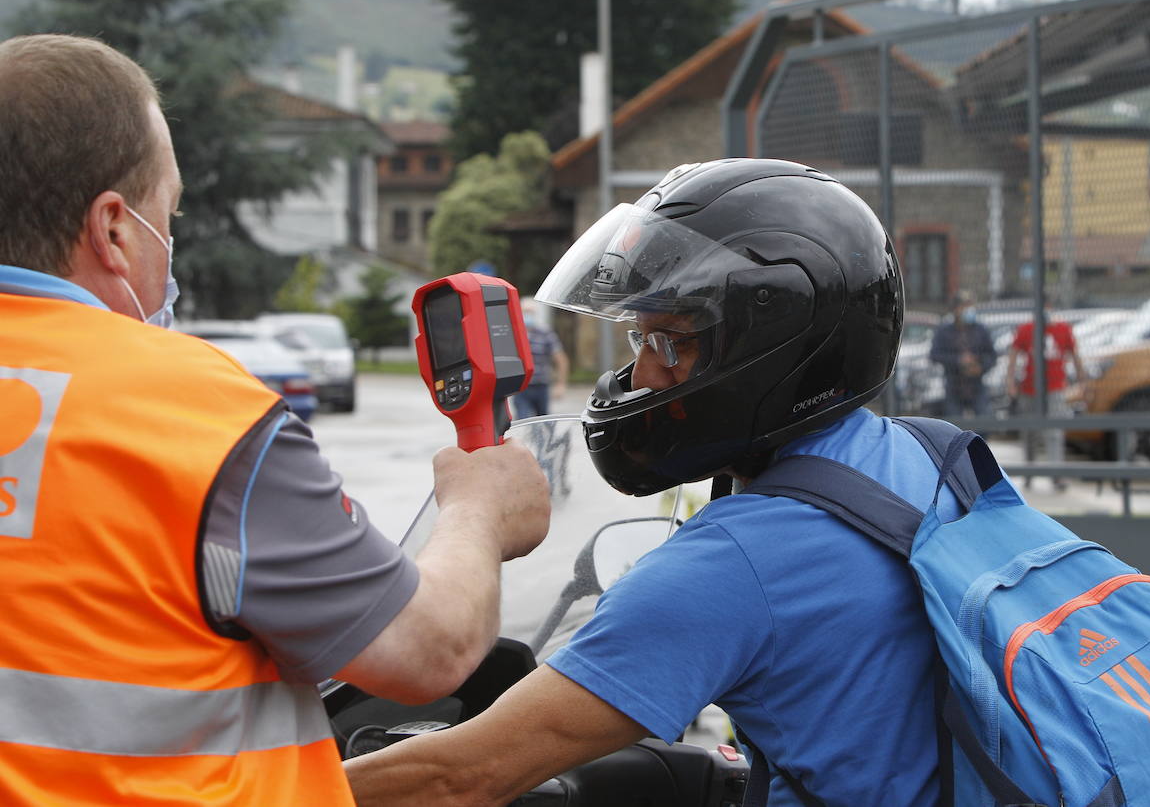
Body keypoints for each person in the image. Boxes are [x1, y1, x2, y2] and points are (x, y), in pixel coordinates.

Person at [0, 34, 551, 804]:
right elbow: (429, 650)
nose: (174, 240)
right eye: (172, 212)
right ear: (115, 229)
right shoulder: (190, 411)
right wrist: (480, 512)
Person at [346, 159, 953, 806]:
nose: (638, 376)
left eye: (670, 342)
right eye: (639, 336)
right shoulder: (937, 457)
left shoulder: (734, 566)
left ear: (772, 346)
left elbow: (460, 777)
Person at [1005, 299, 1085, 488]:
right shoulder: (1026, 329)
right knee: (1030, 434)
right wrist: (1010, 381)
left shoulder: (1063, 329)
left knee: (1055, 432)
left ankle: (1056, 475)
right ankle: (1029, 472)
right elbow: (1014, 354)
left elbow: (1074, 354)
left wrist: (1082, 379)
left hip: (1055, 387)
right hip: (1029, 388)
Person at [929, 290, 996, 419]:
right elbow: (935, 355)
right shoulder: (944, 331)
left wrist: (980, 366)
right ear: (956, 309)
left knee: (984, 420)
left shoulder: (980, 330)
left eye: (970, 306)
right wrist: (959, 360)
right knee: (954, 423)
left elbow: (991, 355)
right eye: (965, 306)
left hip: (976, 384)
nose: (968, 310)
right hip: (954, 384)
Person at [511, 296, 569, 418]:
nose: (528, 315)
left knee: (543, 423)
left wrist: (561, 384)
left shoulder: (545, 333)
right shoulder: (513, 333)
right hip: (521, 388)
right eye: (525, 312)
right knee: (523, 421)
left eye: (530, 312)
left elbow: (560, 359)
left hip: (541, 386)